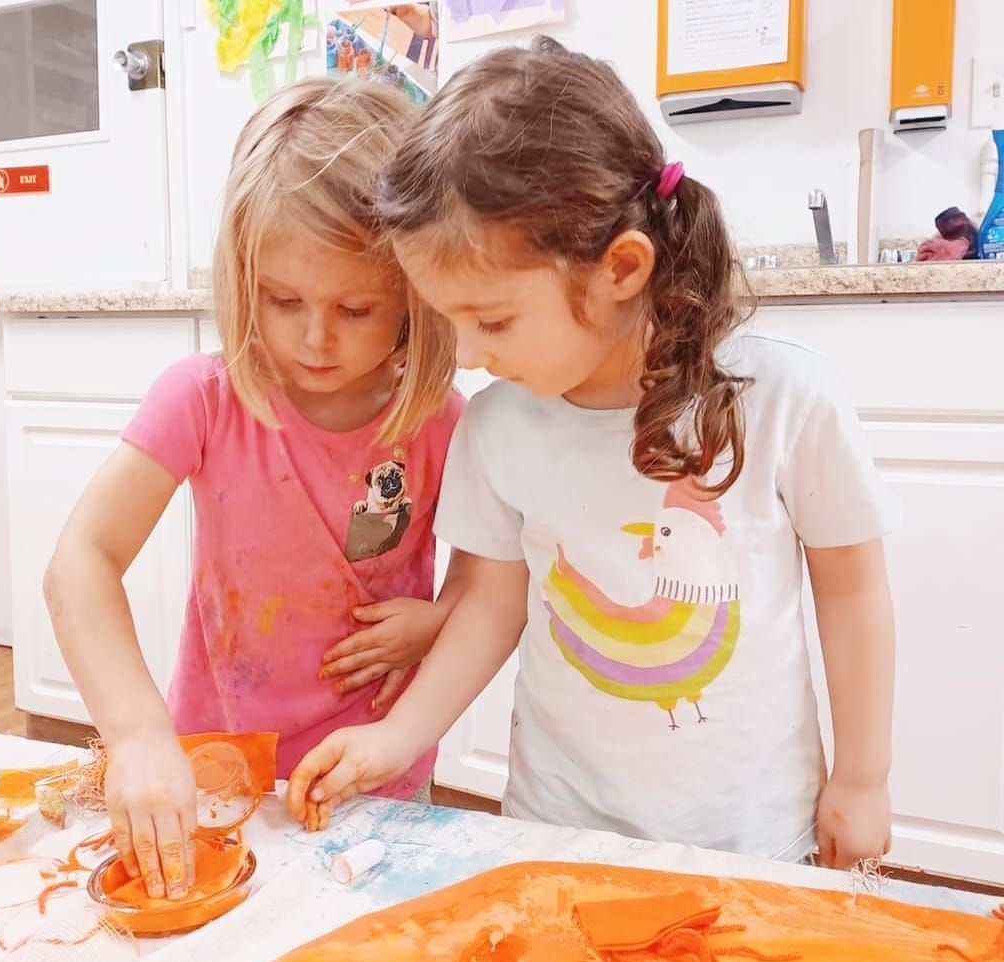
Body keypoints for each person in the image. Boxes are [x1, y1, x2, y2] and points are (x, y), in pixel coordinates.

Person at [287, 41, 900, 870]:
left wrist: (863, 778)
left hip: (751, 835)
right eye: (449, 321)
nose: (465, 353)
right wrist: (398, 735)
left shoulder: (786, 398)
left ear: (620, 268)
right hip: (556, 825)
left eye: (493, 321)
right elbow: (488, 605)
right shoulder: (498, 427)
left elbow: (852, 589)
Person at [45, 77, 463, 900]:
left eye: (354, 307)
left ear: (415, 296)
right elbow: (80, 562)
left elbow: (498, 582)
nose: (314, 337)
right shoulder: (202, 398)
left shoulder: (438, 421)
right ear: (244, 279)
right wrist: (135, 734)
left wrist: (441, 618)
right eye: (283, 300)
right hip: (215, 767)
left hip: (375, 771)